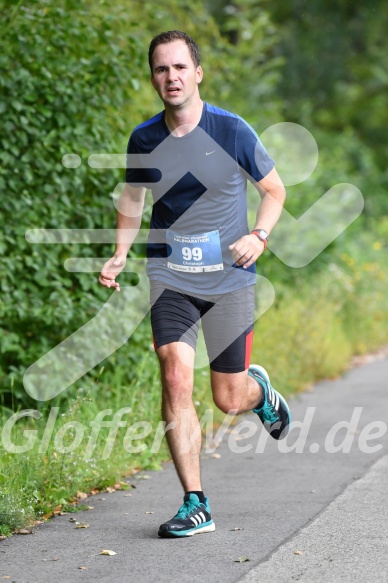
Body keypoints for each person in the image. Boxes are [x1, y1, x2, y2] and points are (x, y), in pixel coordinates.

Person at [99, 30, 291, 538]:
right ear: (153, 78)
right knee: (174, 372)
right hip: (170, 275)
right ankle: (195, 502)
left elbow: (274, 189)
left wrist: (260, 235)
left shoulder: (231, 130)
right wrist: (120, 253)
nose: (171, 77)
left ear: (197, 72)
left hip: (230, 277)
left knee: (228, 397)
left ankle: (260, 391)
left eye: (180, 67)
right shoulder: (144, 139)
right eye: (161, 69)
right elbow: (134, 199)